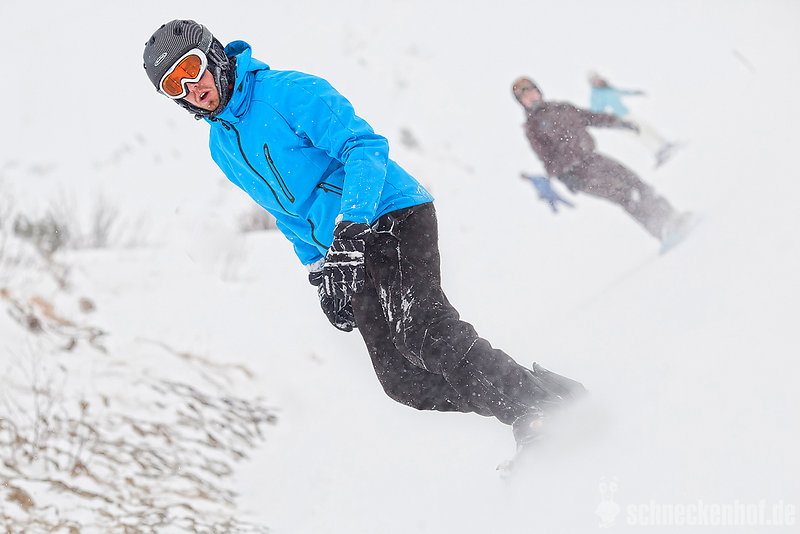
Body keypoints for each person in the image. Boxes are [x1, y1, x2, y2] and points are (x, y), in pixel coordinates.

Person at [142, 20, 586, 448]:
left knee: (423, 331)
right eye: (174, 85)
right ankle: (545, 397)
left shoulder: (286, 92)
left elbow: (363, 147)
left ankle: (535, 412)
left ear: (214, 55)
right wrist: (318, 270)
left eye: (191, 68)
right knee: (402, 380)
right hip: (342, 249)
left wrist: (352, 224)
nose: (191, 87)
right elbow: (285, 212)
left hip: (389, 213)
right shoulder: (221, 146)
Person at [512, 77, 689, 244]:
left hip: (593, 158)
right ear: (522, 103)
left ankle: (673, 217)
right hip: (577, 173)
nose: (530, 97)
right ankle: (662, 229)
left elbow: (592, 117)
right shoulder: (533, 127)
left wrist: (620, 123)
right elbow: (545, 157)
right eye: (524, 96)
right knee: (624, 194)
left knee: (637, 183)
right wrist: (564, 177)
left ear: (538, 91)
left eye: (531, 91)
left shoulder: (562, 108)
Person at [587, 71, 677, 167]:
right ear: (592, 83)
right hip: (619, 120)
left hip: (626, 113)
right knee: (638, 134)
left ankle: (664, 144)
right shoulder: (595, 96)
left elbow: (622, 92)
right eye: (594, 81)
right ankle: (657, 151)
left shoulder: (608, 88)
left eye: (597, 78)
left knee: (646, 126)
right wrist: (608, 116)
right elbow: (596, 111)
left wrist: (635, 92)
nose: (597, 81)